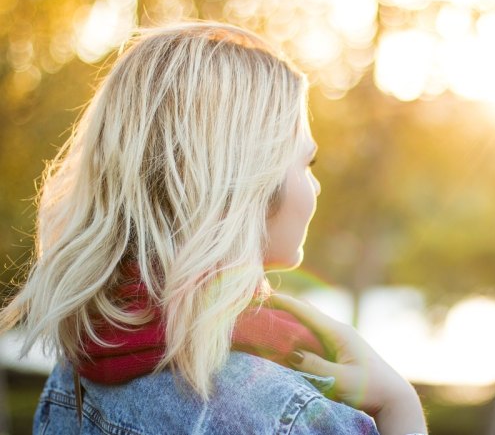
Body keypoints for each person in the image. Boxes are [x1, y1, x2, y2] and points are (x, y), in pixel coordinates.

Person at [0, 21, 428, 434]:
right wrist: (399, 404)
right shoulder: (288, 414)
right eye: (306, 163)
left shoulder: (82, 358)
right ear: (248, 185)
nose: (315, 184)